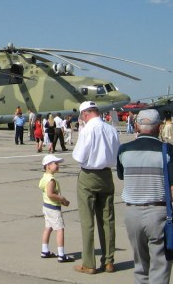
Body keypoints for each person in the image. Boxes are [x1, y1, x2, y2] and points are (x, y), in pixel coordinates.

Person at [117, 109, 173, 283]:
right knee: (160, 266)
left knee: (140, 265)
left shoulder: (124, 150)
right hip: (158, 213)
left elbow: (122, 175)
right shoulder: (167, 150)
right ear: (159, 127)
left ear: (136, 126)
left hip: (132, 213)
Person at [72, 101, 120, 274]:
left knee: (87, 221)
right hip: (106, 175)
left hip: (89, 175)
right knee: (108, 219)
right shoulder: (111, 129)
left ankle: (88, 263)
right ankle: (108, 261)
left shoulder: (87, 130)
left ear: (85, 114)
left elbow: (79, 156)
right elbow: (117, 153)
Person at [38, 155, 75, 263]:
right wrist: (62, 199)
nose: (58, 165)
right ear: (48, 166)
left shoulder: (44, 177)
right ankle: (61, 254)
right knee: (60, 229)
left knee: (48, 228)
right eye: (56, 163)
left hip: (46, 207)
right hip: (53, 208)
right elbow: (50, 194)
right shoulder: (51, 180)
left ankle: (44, 250)